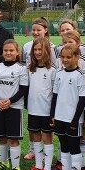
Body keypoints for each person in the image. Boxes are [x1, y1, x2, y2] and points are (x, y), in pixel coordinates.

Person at [0, 39, 28, 170]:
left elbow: (23, 89)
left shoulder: (21, 69)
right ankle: (3, 162)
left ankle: (15, 167)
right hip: (0, 107)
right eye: (6, 50)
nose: (8, 53)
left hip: (14, 108)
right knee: (1, 137)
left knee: (13, 139)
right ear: (2, 52)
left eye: (11, 50)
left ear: (17, 52)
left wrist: (10, 101)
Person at [51, 44, 85, 170]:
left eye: (68, 57)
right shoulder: (59, 73)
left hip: (73, 119)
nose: (65, 60)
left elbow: (82, 99)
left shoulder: (80, 75)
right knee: (64, 146)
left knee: (74, 147)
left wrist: (75, 119)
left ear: (77, 57)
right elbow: (55, 96)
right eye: (62, 57)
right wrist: (53, 115)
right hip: (60, 117)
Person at [21, 17, 57, 162]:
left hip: (47, 103)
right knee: (34, 131)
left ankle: (46, 162)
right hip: (33, 100)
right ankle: (35, 154)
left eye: (39, 30)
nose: (35, 32)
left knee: (47, 133)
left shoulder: (53, 51)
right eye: (34, 29)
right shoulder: (27, 52)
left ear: (46, 30)